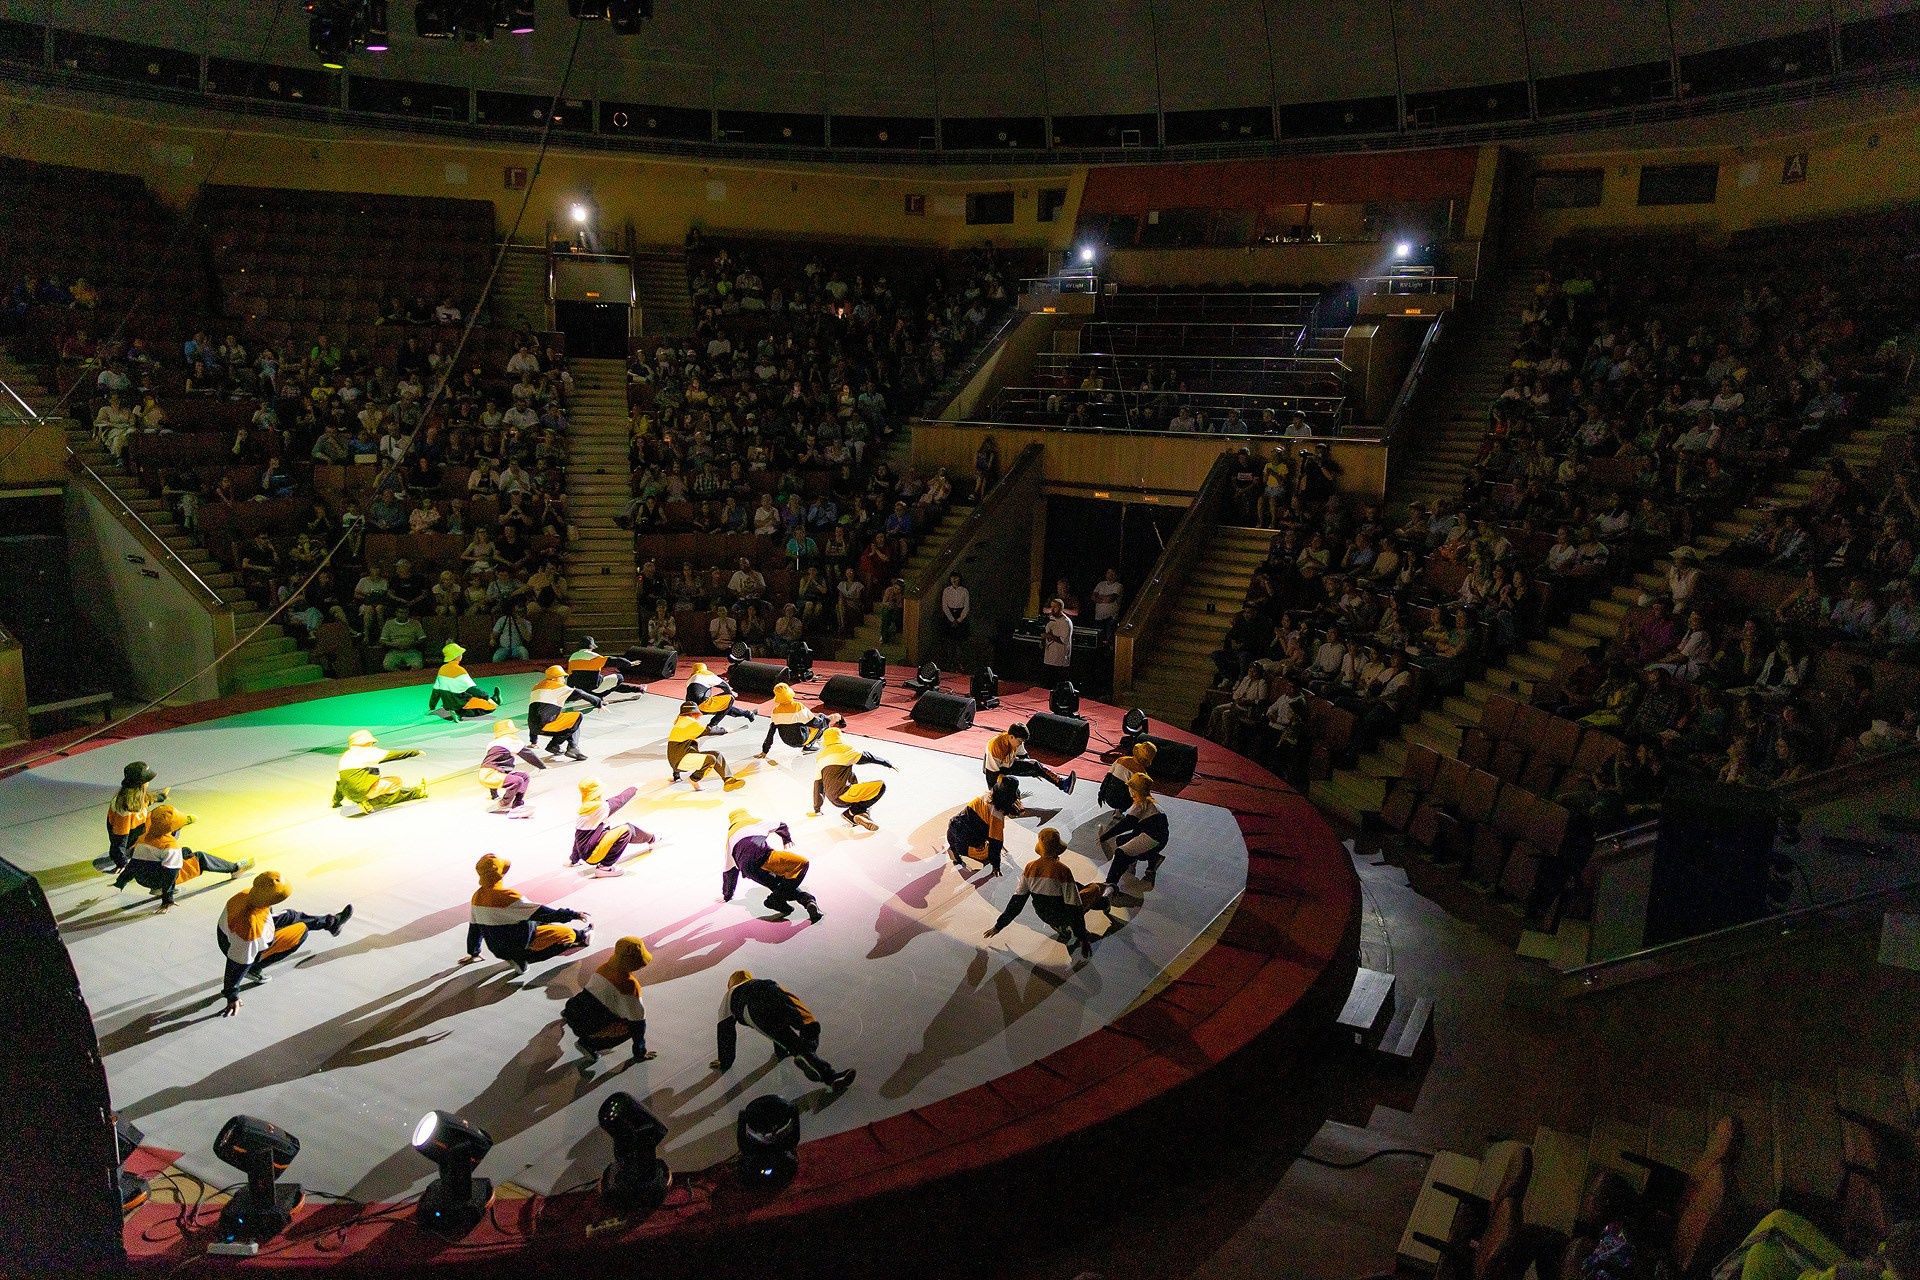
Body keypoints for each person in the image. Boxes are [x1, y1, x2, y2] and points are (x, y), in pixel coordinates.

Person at [217, 871, 352, 1017]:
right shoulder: (250, 932)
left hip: (231, 936)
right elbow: (236, 963)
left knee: (291, 916)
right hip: (243, 947)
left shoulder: (245, 894)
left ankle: (331, 923)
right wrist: (232, 995)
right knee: (300, 931)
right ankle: (254, 968)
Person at [710, 969, 853, 1090]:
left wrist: (725, 1060)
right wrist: (780, 1052)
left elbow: (725, 1030)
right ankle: (824, 1069)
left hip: (752, 1008)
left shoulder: (729, 996)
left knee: (789, 1041)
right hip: (772, 990)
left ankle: (821, 1069)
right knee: (809, 1023)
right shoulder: (756, 982)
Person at [984, 828, 1110, 961]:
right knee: (1094, 888)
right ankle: (1104, 902)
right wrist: (1083, 938)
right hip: (1063, 915)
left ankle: (1061, 927)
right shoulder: (1063, 871)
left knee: (1076, 888)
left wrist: (998, 926)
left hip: (1044, 915)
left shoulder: (1030, 868)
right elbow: (1074, 907)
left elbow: (1017, 902)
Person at [461, 854, 591, 973]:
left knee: (534, 920)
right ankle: (524, 958)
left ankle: (580, 935)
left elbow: (475, 928)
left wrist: (473, 952)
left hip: (498, 947)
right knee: (567, 935)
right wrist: (573, 915)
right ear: (499, 875)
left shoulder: (477, 897)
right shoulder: (508, 897)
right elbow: (544, 913)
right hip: (519, 943)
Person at [112, 804, 254, 911]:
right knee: (200, 858)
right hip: (159, 879)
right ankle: (235, 868)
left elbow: (134, 864)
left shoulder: (144, 839)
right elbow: (170, 874)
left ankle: (158, 886)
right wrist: (167, 899)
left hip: (143, 877)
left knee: (185, 851)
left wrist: (121, 882)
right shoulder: (169, 846)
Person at [562, 936, 658, 1065]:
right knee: (628, 1029)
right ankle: (588, 1044)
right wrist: (640, 1051)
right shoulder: (629, 985)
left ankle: (566, 1015)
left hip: (573, 1010)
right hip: (588, 1026)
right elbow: (638, 1022)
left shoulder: (603, 968)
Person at [721, 809, 822, 922]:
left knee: (781, 885)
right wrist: (786, 839)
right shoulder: (753, 821)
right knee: (802, 864)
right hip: (763, 856)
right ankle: (776, 899)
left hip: (747, 869)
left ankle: (806, 901)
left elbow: (729, 870)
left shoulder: (730, 837)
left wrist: (727, 894)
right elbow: (781, 825)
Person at [810, 728, 896, 831]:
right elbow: (868, 757)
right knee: (880, 786)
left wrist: (817, 808)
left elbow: (818, 784)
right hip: (845, 794)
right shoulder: (844, 749)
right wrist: (887, 763)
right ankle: (852, 813)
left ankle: (860, 815)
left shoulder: (820, 757)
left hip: (834, 799)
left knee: (853, 778)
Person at [572, 777, 657, 877]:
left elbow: (579, 838)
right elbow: (619, 800)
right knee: (625, 830)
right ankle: (605, 867)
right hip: (592, 855)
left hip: (590, 852)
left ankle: (651, 838)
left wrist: (574, 859)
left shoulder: (585, 810)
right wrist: (634, 787)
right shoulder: (598, 808)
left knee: (626, 828)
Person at [331, 730, 429, 813]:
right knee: (396, 782)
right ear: (366, 742)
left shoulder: (345, 756)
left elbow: (339, 782)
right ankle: (371, 803)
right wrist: (415, 752)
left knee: (376, 780)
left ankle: (366, 800)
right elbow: (395, 755)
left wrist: (336, 802)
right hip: (363, 792)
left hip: (351, 795)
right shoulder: (367, 752)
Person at [944, 778, 1025, 877]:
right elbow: (995, 844)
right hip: (964, 842)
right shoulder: (996, 816)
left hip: (953, 828)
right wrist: (996, 866)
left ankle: (954, 847)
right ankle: (957, 850)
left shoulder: (986, 795)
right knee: (986, 855)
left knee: (980, 832)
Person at [1101, 772, 1169, 888]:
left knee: (1121, 853)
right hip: (1158, 838)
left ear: (1135, 789)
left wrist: (1105, 836)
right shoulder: (1150, 802)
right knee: (1121, 840)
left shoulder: (1141, 804)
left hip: (1153, 838)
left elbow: (1126, 824)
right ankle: (1153, 858)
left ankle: (1110, 883)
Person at [101, 760, 167, 872]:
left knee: (168, 818)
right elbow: (119, 840)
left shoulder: (136, 796)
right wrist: (122, 863)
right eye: (147, 780)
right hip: (132, 846)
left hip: (139, 836)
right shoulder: (124, 810)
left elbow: (146, 800)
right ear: (141, 784)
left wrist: (160, 797)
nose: (148, 782)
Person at [668, 701, 747, 790]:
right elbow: (709, 730)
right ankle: (694, 779)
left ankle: (728, 780)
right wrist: (726, 730)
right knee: (710, 759)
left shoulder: (682, 722)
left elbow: (674, 751)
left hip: (680, 759)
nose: (699, 717)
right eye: (697, 714)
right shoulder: (689, 722)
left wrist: (676, 775)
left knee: (716, 754)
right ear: (692, 713)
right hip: (681, 760)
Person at [983, 722, 1077, 794]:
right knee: (1012, 794)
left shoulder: (1017, 742)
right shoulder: (995, 746)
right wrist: (993, 793)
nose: (1021, 744)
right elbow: (991, 776)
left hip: (1008, 764)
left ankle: (1063, 784)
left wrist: (1035, 771)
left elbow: (1025, 757)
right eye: (1020, 741)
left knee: (1035, 764)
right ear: (1011, 737)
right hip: (996, 770)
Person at [757, 682, 843, 759]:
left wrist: (765, 751)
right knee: (821, 717)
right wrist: (829, 719)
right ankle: (809, 745)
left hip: (787, 741)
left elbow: (771, 732)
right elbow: (815, 723)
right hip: (802, 740)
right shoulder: (797, 707)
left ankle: (813, 740)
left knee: (815, 721)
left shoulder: (775, 711)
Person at [528, 665, 597, 759]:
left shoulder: (537, 688)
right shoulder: (557, 686)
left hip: (534, 728)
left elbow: (535, 713)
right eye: (562, 677)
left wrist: (533, 741)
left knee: (569, 721)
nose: (564, 680)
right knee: (577, 718)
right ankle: (571, 748)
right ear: (555, 678)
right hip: (546, 726)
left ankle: (554, 746)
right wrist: (598, 703)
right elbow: (580, 693)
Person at [479, 718, 545, 816]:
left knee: (524, 776)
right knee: (517, 781)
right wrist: (542, 766)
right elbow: (529, 755)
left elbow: (490, 764)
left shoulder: (492, 743)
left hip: (487, 773)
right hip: (491, 774)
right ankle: (505, 804)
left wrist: (494, 794)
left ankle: (517, 806)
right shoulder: (513, 741)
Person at [427, 643, 500, 720]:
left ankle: (494, 698)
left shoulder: (442, 669)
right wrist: (487, 697)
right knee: (491, 706)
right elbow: (472, 689)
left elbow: (436, 691)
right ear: (457, 656)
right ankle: (459, 713)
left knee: (472, 699)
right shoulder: (460, 670)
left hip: (448, 704)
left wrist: (432, 706)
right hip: (460, 702)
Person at [567, 636, 647, 698]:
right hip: (595, 689)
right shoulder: (593, 656)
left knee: (610, 683)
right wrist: (629, 663)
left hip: (582, 690)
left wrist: (569, 694)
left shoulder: (572, 657)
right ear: (591, 647)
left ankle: (638, 689)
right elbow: (613, 660)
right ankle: (599, 696)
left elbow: (570, 677)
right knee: (619, 678)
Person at [686, 661, 757, 731]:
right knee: (729, 699)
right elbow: (725, 685)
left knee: (722, 707)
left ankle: (748, 714)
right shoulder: (705, 674)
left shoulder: (690, 679)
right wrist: (731, 693)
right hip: (703, 705)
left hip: (692, 709)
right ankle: (712, 726)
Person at [1098, 741, 1157, 811]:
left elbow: (1108, 777)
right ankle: (1120, 811)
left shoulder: (1121, 760)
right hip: (1123, 802)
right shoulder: (1141, 773)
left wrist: (1101, 794)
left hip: (1108, 795)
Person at [1040, 596, 1075, 686]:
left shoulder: (1066, 622)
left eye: (1055, 607)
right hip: (1049, 658)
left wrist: (1049, 636)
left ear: (1061, 608)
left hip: (1059, 660)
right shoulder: (1051, 619)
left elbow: (1064, 640)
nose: (1052, 609)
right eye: (1051, 607)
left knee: (1057, 684)